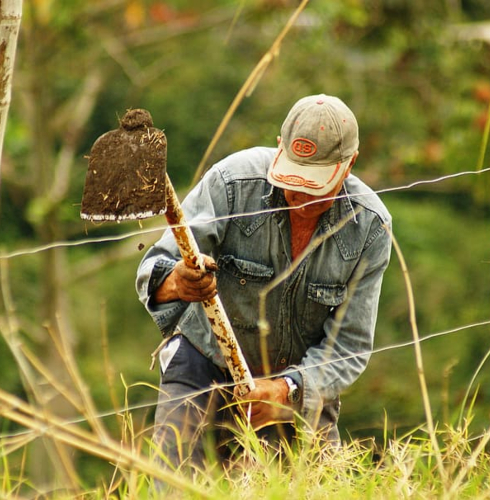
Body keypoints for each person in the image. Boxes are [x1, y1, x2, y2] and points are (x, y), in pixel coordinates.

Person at [136, 94, 392, 469]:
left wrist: (284, 392)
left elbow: (349, 346)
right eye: (293, 181)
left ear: (349, 164)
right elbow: (155, 270)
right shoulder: (232, 183)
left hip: (296, 388)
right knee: (173, 485)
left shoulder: (370, 227)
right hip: (203, 365)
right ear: (280, 149)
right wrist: (178, 282)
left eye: (316, 186)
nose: (301, 197)